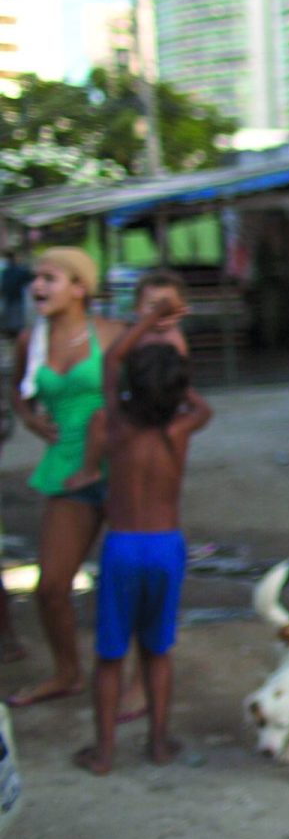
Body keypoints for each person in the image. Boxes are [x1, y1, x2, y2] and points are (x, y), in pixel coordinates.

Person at [71, 297, 212, 774]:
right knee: (157, 650)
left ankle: (104, 753)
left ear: (131, 388)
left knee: (110, 656)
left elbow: (112, 360)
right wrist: (174, 371)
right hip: (166, 548)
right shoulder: (184, 427)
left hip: (123, 546)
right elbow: (197, 399)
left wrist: (148, 321)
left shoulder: (117, 426)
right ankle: (157, 744)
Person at [6, 248, 127, 708]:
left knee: (126, 582)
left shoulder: (113, 335)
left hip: (119, 472)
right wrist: (32, 421)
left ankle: (136, 677)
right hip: (65, 474)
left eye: (49, 278)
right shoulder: (29, 341)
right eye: (35, 278)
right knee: (52, 586)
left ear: (80, 287)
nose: (37, 285)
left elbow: (157, 383)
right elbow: (18, 391)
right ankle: (67, 674)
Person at [64, 269, 192, 496]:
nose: (160, 315)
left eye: (168, 308)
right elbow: (115, 358)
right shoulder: (135, 334)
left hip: (166, 404)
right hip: (133, 400)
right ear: (136, 310)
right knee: (99, 419)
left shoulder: (175, 339)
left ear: (182, 310)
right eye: (153, 307)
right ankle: (90, 469)